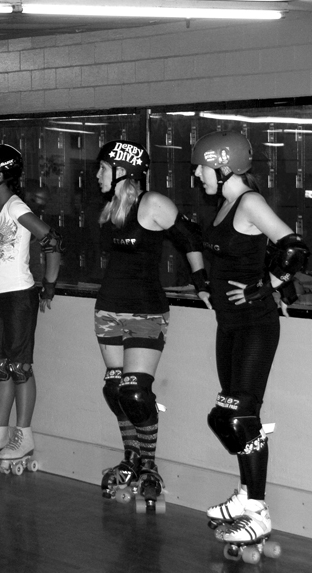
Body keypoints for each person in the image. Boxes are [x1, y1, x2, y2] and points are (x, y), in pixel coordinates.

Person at [192, 130, 308, 550]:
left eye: (201, 167)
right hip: (230, 325)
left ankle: (257, 511)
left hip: (255, 324)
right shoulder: (225, 204)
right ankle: (246, 495)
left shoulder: (249, 203)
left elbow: (294, 249)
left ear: (222, 165)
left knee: (238, 417)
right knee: (232, 417)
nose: (197, 175)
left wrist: (265, 286)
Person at [93, 141, 208, 504]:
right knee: (115, 390)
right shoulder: (112, 206)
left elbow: (188, 237)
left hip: (146, 310)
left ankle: (150, 466)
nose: (97, 175)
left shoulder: (152, 203)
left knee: (135, 391)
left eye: (103, 169)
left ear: (124, 170)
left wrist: (202, 281)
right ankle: (131, 458)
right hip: (109, 309)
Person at [0, 144, 61, 471]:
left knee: (21, 367)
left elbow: (50, 240)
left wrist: (49, 283)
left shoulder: (17, 208)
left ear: (1, 175)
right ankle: (0, 432)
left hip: (19, 295)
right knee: (0, 365)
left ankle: (24, 434)